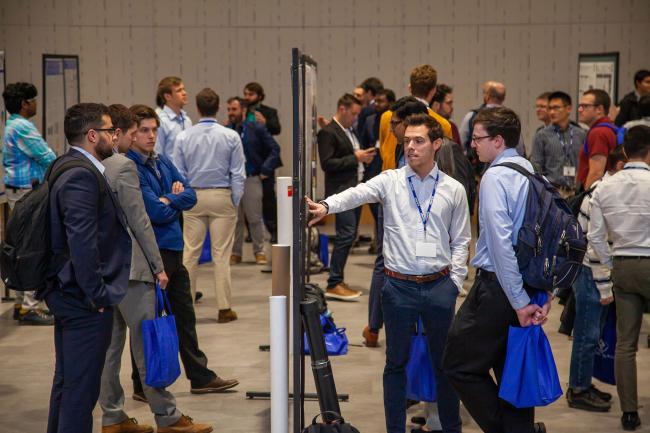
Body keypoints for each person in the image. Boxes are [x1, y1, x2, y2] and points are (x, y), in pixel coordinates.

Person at [308, 113, 470, 433]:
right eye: (406, 140)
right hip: (398, 288)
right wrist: (326, 206)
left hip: (439, 287)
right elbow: (356, 193)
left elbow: (462, 240)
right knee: (395, 364)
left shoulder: (453, 189)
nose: (410, 147)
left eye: (419, 141)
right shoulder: (390, 180)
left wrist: (454, 282)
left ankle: (450, 428)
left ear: (437, 144)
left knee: (444, 364)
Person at [99, 104, 212, 433]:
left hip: (105, 268)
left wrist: (168, 199)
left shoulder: (93, 165)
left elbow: (186, 195)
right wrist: (157, 266)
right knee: (148, 344)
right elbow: (142, 220)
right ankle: (168, 417)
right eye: (136, 131)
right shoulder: (123, 166)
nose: (144, 137)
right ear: (120, 133)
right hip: (133, 267)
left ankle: (112, 416)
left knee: (111, 348)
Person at [443, 106, 551, 433]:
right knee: (512, 372)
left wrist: (519, 302)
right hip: (529, 286)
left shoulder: (494, 177)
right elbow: (548, 241)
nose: (473, 145)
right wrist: (542, 294)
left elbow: (501, 246)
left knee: (458, 364)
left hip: (500, 289)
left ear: (499, 140)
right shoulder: (534, 174)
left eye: (478, 139)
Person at [127, 104, 239, 395]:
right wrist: (171, 200)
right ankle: (142, 384)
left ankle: (200, 377)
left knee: (185, 318)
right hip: (152, 253)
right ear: (131, 133)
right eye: (144, 130)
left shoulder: (161, 160)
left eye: (154, 130)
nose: (151, 136)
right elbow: (154, 211)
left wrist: (170, 200)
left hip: (175, 250)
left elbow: (190, 195)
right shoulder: (131, 167)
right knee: (149, 321)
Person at [42, 103, 132, 433]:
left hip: (68, 292)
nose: (115, 137)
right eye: (110, 131)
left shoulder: (64, 165)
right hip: (82, 299)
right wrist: (97, 295)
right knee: (80, 391)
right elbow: (82, 242)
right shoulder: (81, 175)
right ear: (93, 135)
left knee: (68, 382)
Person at [588, 125, 650, 432]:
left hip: (623, 263)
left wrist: (612, 263)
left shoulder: (604, 186)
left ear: (624, 151)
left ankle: (629, 413)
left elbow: (595, 236)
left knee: (626, 344)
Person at [362, 96, 429, 347]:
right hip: (393, 210)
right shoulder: (403, 145)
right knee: (385, 262)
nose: (390, 130)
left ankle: (413, 332)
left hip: (422, 225)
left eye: (395, 124)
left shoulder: (436, 141)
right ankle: (377, 327)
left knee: (421, 262)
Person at [174, 89, 246, 320]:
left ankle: (186, 307)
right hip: (221, 195)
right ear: (218, 108)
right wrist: (234, 199)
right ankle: (224, 308)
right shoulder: (231, 136)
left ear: (197, 108)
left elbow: (178, 172)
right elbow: (238, 173)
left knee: (190, 253)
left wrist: (183, 197)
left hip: (193, 196)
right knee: (221, 254)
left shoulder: (184, 137)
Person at [565, 146, 626, 414]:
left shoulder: (608, 189)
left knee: (592, 332)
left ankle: (583, 383)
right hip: (590, 271)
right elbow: (593, 243)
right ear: (620, 166)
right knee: (587, 334)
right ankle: (578, 389)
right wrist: (604, 284)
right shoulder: (602, 192)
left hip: (593, 271)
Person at [1, 82, 56, 325]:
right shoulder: (22, 126)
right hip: (27, 192)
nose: (35, 104)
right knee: (34, 245)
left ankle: (21, 303)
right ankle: (29, 307)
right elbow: (46, 156)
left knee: (22, 245)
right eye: (33, 100)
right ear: (24, 103)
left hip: (19, 191)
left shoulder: (12, 124)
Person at [317, 93, 375, 301]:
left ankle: (337, 280)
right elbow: (327, 164)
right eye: (353, 114)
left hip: (354, 190)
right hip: (341, 191)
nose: (355, 118)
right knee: (346, 234)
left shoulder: (348, 130)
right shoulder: (327, 132)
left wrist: (362, 158)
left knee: (349, 235)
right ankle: (334, 282)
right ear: (342, 109)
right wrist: (355, 158)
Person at [225, 96, 281, 265]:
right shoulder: (225, 130)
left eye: (234, 109)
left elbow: (274, 148)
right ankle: (235, 253)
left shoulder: (256, 128)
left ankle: (259, 251)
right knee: (235, 219)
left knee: (255, 217)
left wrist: (265, 170)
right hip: (231, 181)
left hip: (251, 178)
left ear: (243, 110)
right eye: (228, 109)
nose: (230, 113)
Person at [378, 65, 453, 171]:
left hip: (390, 178)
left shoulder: (386, 116)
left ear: (410, 88)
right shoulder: (443, 124)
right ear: (433, 90)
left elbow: (382, 152)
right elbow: (445, 159)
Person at [243, 81, 282, 242]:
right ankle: (252, 233)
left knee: (268, 200)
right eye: (245, 94)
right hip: (248, 163)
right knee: (248, 201)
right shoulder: (242, 110)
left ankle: (274, 231)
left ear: (259, 96)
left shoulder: (269, 111)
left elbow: (277, 129)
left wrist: (266, 122)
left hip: (265, 161)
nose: (247, 97)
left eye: (250, 94)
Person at [531, 91, 586, 197]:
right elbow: (536, 168)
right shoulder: (542, 135)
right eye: (550, 108)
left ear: (568, 109)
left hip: (577, 193)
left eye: (556, 108)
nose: (552, 112)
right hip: (553, 193)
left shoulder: (580, 134)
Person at [458, 81, 526, 159]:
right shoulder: (511, 119)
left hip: (476, 165)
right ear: (503, 98)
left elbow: (461, 144)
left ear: (487, 96)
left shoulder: (472, 116)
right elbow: (519, 148)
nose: (473, 144)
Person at [577, 89, 617, 190]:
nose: (580, 110)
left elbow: (596, 173)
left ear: (599, 109)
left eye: (585, 106)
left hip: (597, 192)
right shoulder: (609, 128)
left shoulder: (598, 133)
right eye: (580, 106)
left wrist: (586, 196)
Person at [154, 76, 192, 159]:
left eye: (183, 89)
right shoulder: (160, 121)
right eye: (179, 90)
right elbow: (157, 154)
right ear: (168, 96)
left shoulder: (187, 120)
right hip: (169, 167)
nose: (184, 93)